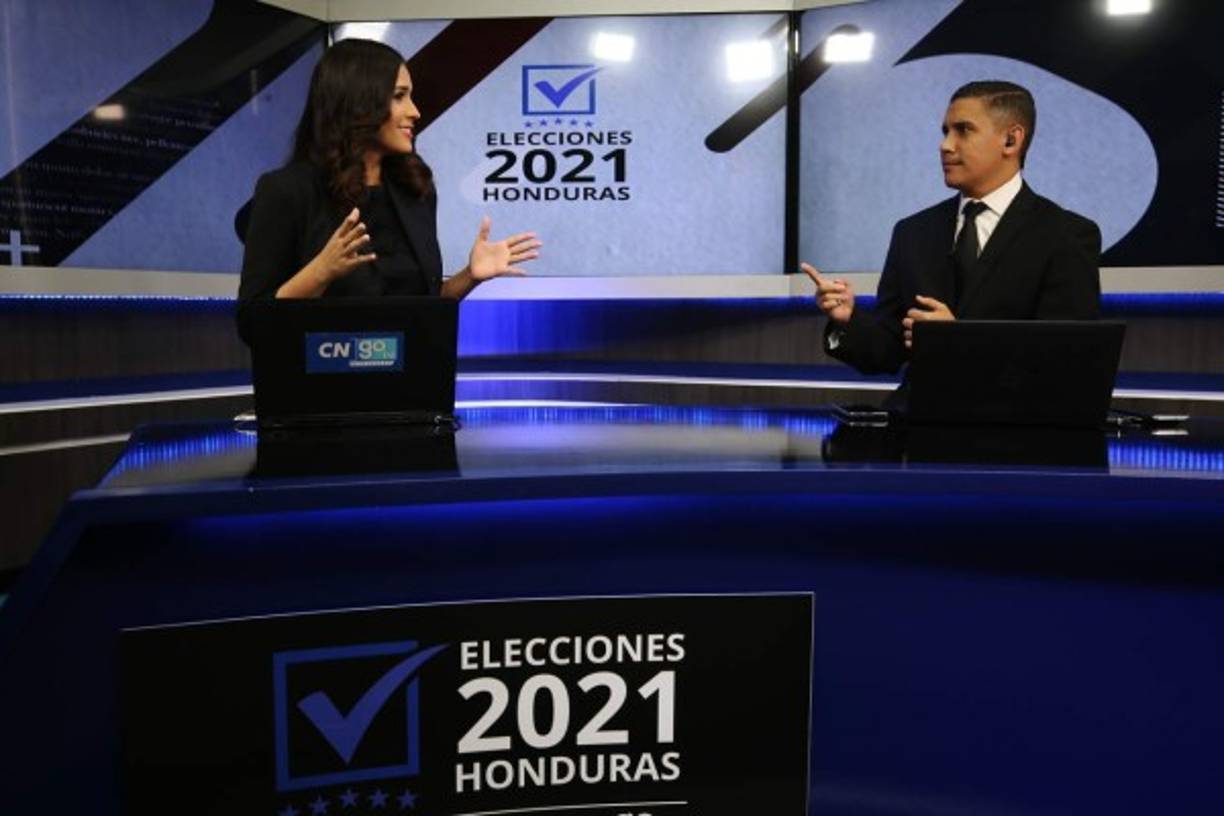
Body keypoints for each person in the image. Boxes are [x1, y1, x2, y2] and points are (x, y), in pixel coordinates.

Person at [802, 80, 1101, 406]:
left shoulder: (1066, 235)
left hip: (1011, 426)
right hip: (917, 425)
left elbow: (1063, 364)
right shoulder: (912, 233)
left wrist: (956, 342)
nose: (945, 145)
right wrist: (848, 319)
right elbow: (887, 351)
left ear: (1011, 139)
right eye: (945, 131)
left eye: (963, 130)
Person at [237, 39, 540, 341]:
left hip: (414, 370)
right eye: (399, 97)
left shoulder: (415, 189)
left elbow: (420, 309)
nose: (415, 111)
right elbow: (252, 323)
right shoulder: (287, 191)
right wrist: (320, 272)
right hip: (321, 371)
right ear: (358, 103)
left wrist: (469, 277)